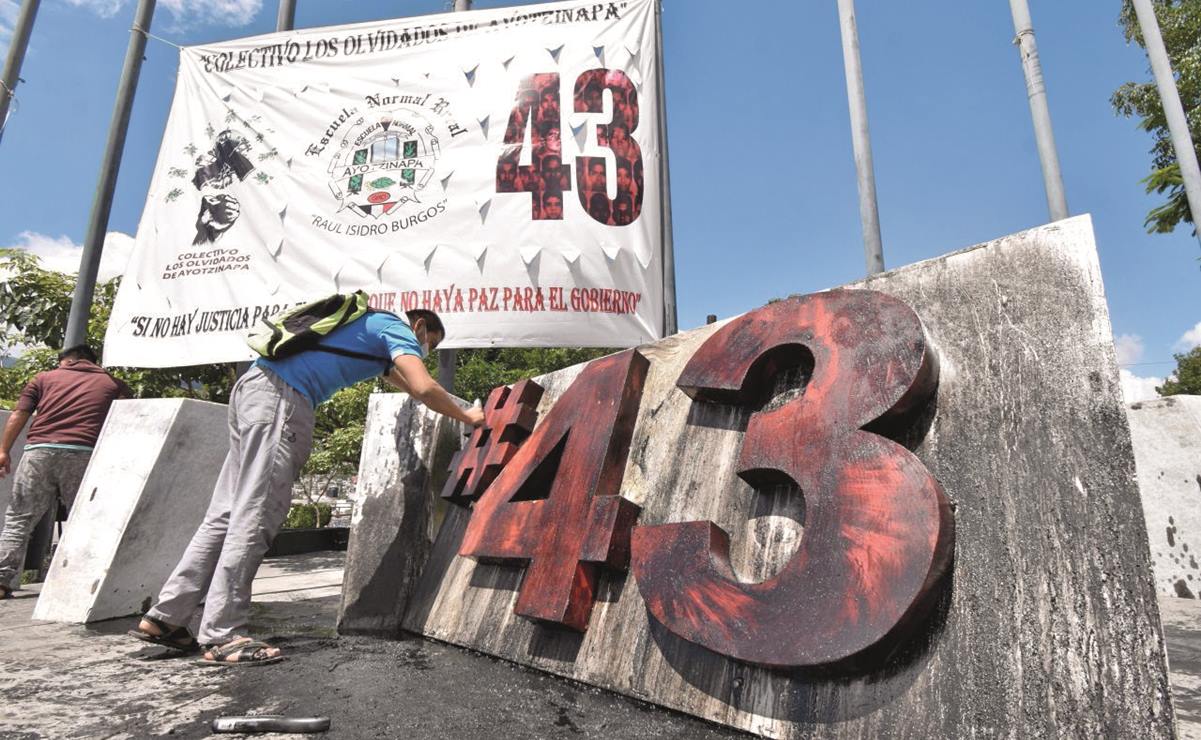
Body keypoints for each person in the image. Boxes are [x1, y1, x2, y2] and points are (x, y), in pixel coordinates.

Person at [130, 308, 484, 665]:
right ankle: (224, 634)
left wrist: (449, 404)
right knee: (257, 513)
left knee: (224, 514)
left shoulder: (365, 329)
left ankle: (166, 617)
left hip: (254, 390)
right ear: (420, 326)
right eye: (429, 344)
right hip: (282, 401)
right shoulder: (395, 327)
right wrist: (470, 417)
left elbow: (408, 384)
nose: (424, 350)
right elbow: (424, 385)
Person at [0, 345, 131, 599]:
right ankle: (77, 585)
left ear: (67, 361)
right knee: (84, 521)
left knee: (18, 520)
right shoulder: (114, 384)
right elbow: (126, 420)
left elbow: (20, 413)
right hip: (84, 453)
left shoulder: (43, 378)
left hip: (38, 452)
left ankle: (1, 580)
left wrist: (4, 450)